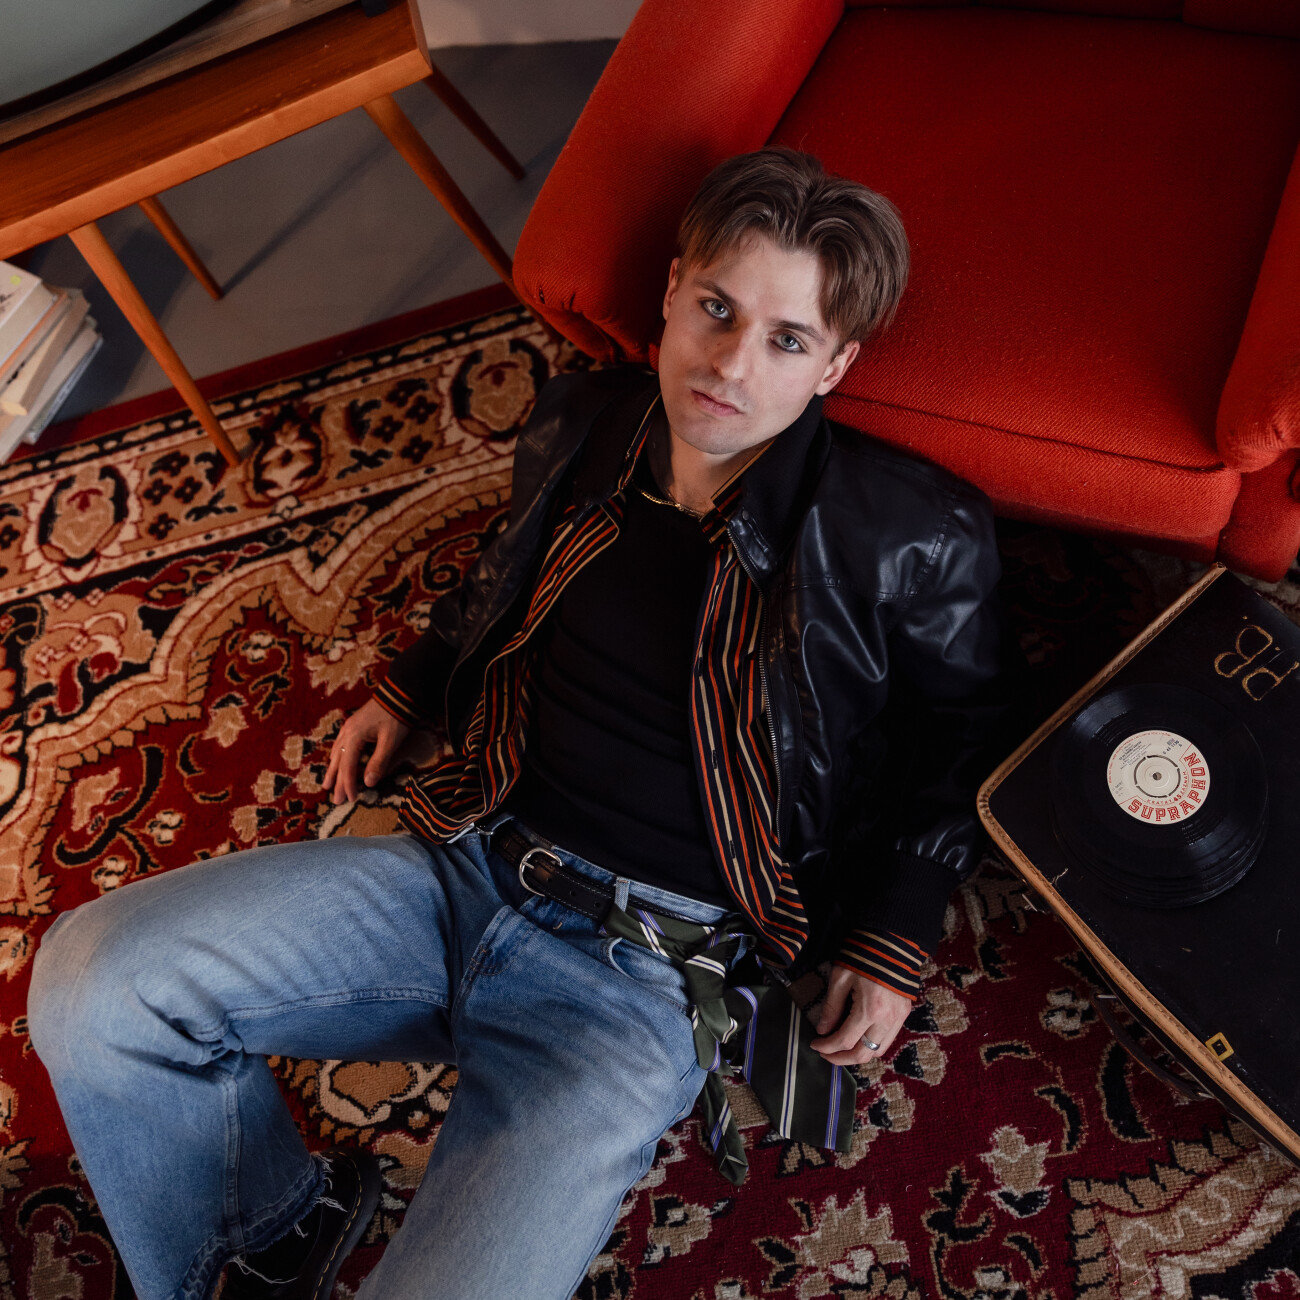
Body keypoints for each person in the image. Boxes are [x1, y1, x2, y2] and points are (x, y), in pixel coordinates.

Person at [27, 148, 1007, 1300]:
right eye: (717, 309)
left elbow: (964, 733)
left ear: (834, 364)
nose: (732, 363)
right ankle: (274, 1236)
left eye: (786, 340)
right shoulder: (585, 420)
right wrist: (417, 682)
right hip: (464, 870)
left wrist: (891, 928)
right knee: (92, 982)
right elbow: (502, 574)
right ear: (673, 289)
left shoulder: (912, 536)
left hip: (642, 981)